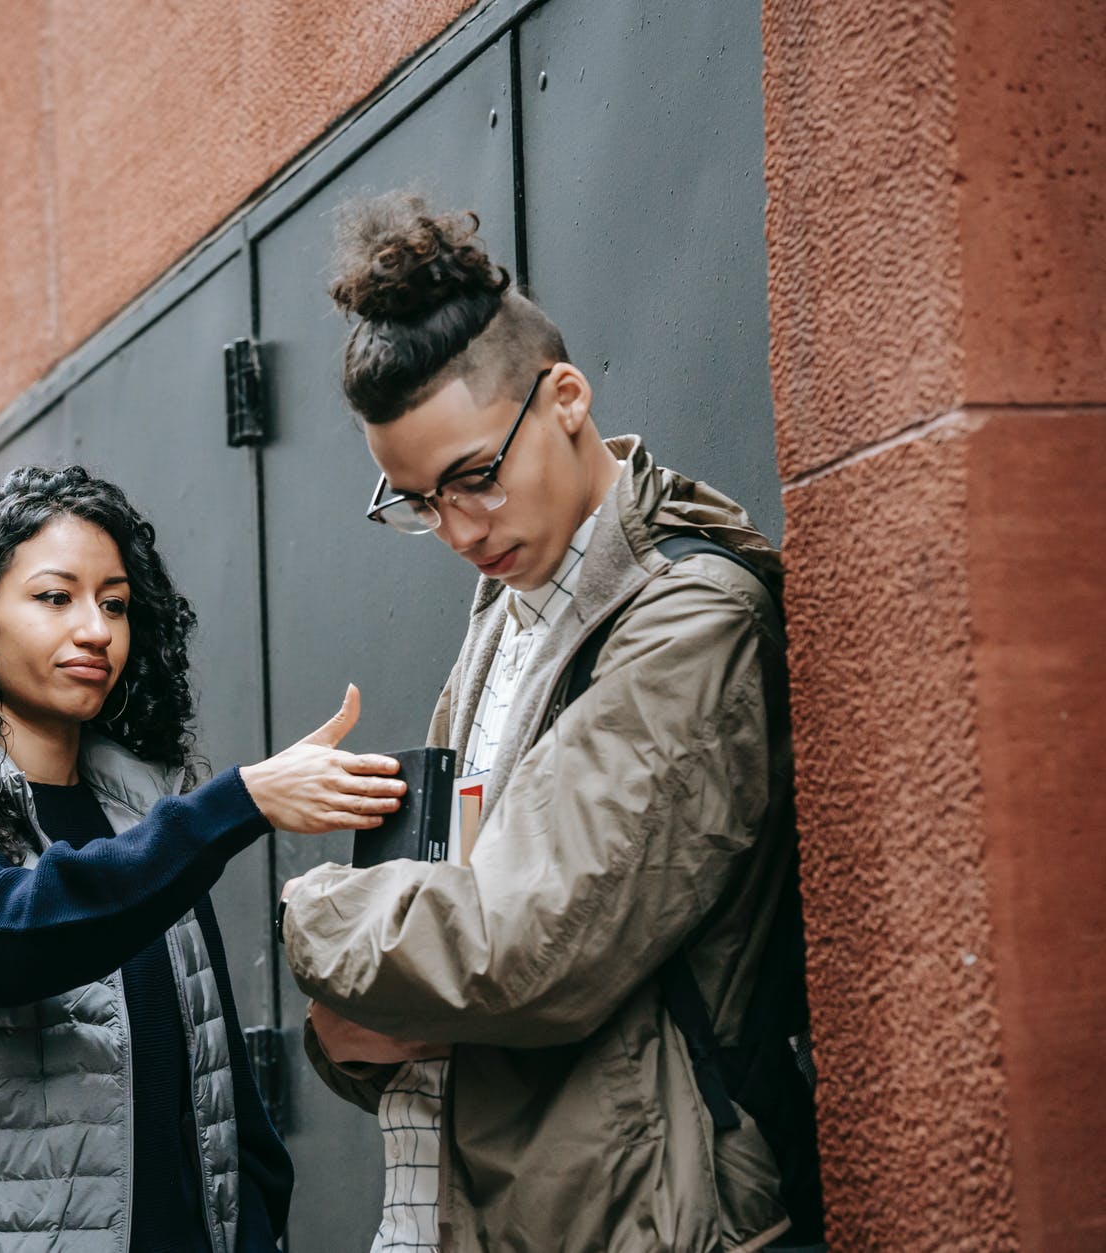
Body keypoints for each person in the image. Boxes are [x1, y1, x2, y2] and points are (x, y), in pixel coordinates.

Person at [278, 193, 820, 1251]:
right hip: (503, 1196)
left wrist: (319, 919)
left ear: (564, 396)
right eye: (418, 501)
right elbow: (467, 924)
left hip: (646, 1212)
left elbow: (530, 944)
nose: (458, 527)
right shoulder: (512, 604)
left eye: (475, 475)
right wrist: (361, 1034)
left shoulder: (688, 619)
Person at [0, 464, 405, 1251]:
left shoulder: (147, 817)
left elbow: (223, 1089)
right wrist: (240, 800)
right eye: (55, 597)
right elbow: (23, 932)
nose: (95, 630)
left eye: (114, 603)